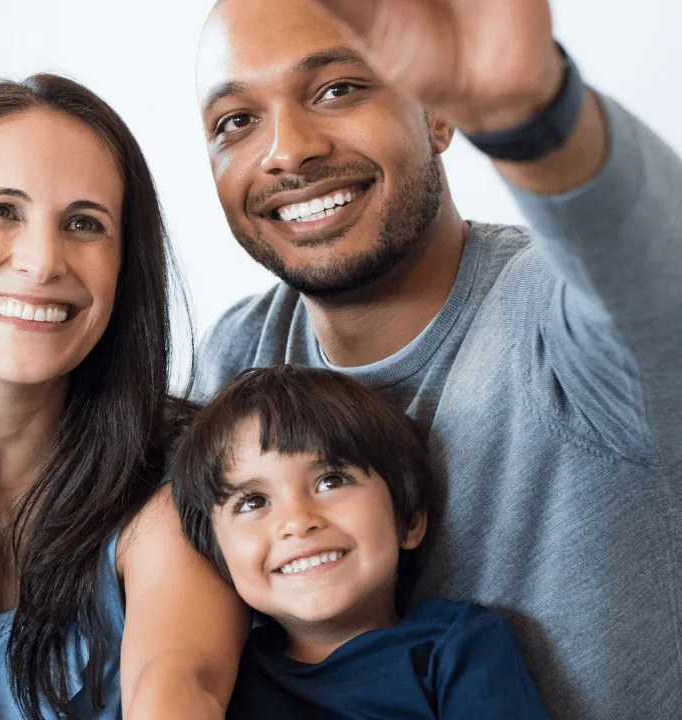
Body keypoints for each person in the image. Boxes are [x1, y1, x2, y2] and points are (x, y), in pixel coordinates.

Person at [191, 0, 682, 716]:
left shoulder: (555, 320)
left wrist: (536, 116)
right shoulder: (234, 360)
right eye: (237, 121)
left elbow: (654, 285)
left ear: (439, 114)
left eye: (338, 89)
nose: (287, 150)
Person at [0, 74, 248, 720]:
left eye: (84, 223)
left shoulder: (172, 487)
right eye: (1, 211)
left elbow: (182, 684)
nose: (43, 261)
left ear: (124, 268)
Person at [174, 365, 550, 718]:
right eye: (253, 502)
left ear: (408, 521)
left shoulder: (458, 647)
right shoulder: (222, 680)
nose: (297, 522)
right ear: (217, 556)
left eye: (331, 481)